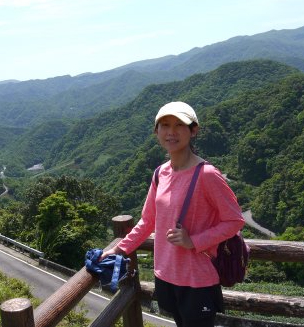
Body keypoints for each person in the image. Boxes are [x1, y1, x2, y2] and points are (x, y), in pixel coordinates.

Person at [101, 101, 245, 327]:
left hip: (197, 279)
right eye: (165, 125)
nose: (171, 132)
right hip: (166, 275)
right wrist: (116, 250)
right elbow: (148, 222)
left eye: (180, 125)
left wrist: (194, 241)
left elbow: (235, 220)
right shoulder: (160, 173)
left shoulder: (207, 174)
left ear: (193, 130)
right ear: (156, 131)